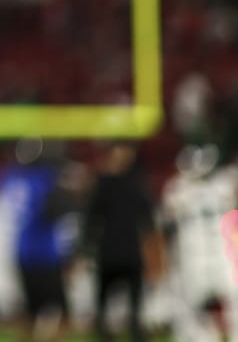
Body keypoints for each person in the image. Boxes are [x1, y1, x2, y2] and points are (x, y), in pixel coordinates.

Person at [160, 145, 238, 342]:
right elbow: (167, 214)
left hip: (221, 254)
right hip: (196, 257)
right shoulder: (179, 188)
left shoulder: (223, 182)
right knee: (188, 310)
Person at [0, 140, 73, 342]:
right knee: (61, 310)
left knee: (30, 309)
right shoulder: (44, 179)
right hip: (45, 251)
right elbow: (55, 211)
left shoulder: (9, 176)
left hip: (22, 249)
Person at [84, 143, 158, 342]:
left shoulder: (136, 183)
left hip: (131, 248)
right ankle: (103, 330)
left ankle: (135, 330)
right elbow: (91, 218)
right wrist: (86, 248)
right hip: (108, 248)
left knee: (135, 298)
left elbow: (148, 218)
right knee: (103, 296)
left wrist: (153, 250)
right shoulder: (103, 183)